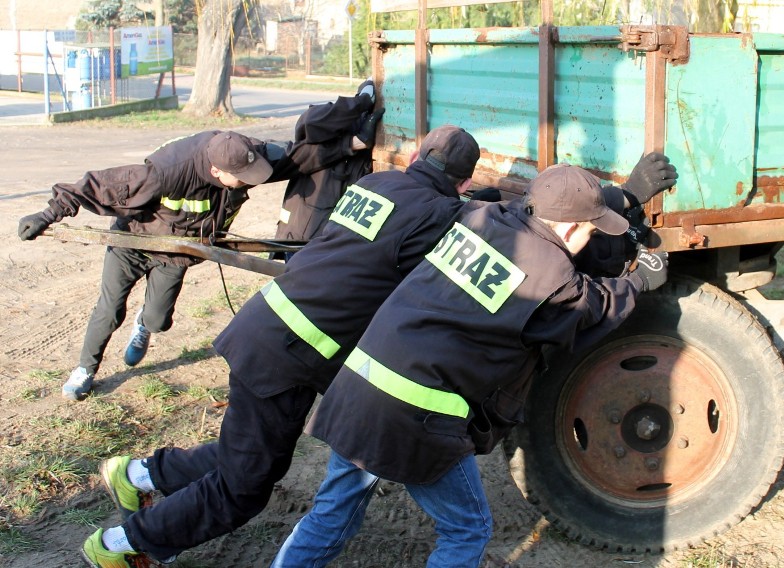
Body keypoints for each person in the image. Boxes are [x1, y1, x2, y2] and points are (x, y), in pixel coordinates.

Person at [78, 124, 483, 567]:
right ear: (463, 184)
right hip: (289, 352)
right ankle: (122, 545)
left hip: (269, 327)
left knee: (253, 451)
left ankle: (137, 475)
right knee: (243, 487)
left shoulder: (373, 183)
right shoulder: (443, 214)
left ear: (412, 159)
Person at [270, 164, 670, 568]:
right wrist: (640, 282)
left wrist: (623, 195)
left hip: (360, 389)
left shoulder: (480, 217)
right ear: (568, 229)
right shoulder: (554, 275)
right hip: (415, 418)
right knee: (468, 530)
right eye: (591, 229)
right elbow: (592, 306)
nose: (591, 238)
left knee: (330, 516)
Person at [17, 86, 379, 402]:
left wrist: (351, 144)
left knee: (159, 320)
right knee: (109, 309)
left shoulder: (243, 153)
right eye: (241, 180)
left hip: (176, 253)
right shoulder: (165, 172)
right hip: (135, 242)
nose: (248, 184)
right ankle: (84, 370)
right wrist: (49, 213)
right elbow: (97, 184)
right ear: (217, 172)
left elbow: (295, 159)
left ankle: (145, 324)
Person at [274, 79, 385, 247]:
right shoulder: (326, 133)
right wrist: (360, 103)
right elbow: (308, 122)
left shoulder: (367, 151)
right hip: (301, 238)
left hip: (332, 243)